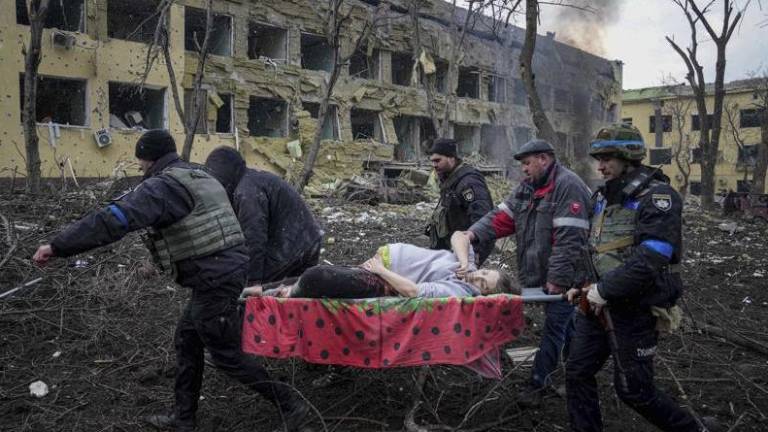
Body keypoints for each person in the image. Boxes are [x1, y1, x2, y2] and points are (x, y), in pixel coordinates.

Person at [32, 130, 310, 432]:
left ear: (149, 160)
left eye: (140, 165)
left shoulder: (163, 187)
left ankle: (291, 403)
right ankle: (183, 418)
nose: (141, 171)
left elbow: (114, 220)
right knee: (187, 338)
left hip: (214, 278)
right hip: (222, 273)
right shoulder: (197, 173)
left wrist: (58, 246)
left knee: (226, 355)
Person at [564, 124, 717, 432]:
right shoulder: (603, 197)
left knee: (634, 391)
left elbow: (653, 257)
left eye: (608, 158)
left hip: (635, 308)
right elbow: (595, 247)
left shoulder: (658, 197)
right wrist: (581, 284)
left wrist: (604, 289)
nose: (601, 166)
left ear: (629, 157)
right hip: (597, 304)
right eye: (599, 158)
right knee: (577, 372)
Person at [452, 139, 592, 407]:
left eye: (527, 163)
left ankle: (538, 383)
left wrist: (557, 281)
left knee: (554, 327)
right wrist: (472, 233)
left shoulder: (568, 186)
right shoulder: (528, 188)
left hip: (569, 275)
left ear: (544, 159)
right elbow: (501, 217)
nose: (524, 170)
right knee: (566, 324)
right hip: (541, 273)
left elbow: (569, 240)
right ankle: (577, 368)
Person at [244, 239, 519, 300]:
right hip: (379, 267)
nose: (477, 277)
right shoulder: (467, 267)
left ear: (482, 296)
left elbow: (412, 290)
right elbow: (461, 235)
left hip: (381, 280)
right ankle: (259, 290)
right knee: (313, 274)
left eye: (482, 284)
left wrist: (380, 269)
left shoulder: (457, 290)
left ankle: (283, 294)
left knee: (317, 276)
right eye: (484, 273)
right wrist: (462, 260)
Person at [205, 146, 322, 285]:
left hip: (294, 246)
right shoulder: (251, 180)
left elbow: (254, 238)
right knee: (288, 294)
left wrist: (253, 282)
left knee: (250, 289)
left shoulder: (247, 192)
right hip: (305, 240)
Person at [424, 138, 494, 265]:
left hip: (465, 250)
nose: (434, 165)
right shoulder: (449, 180)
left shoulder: (469, 182)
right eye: (432, 161)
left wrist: (472, 256)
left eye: (438, 160)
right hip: (451, 250)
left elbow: (482, 220)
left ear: (451, 158)